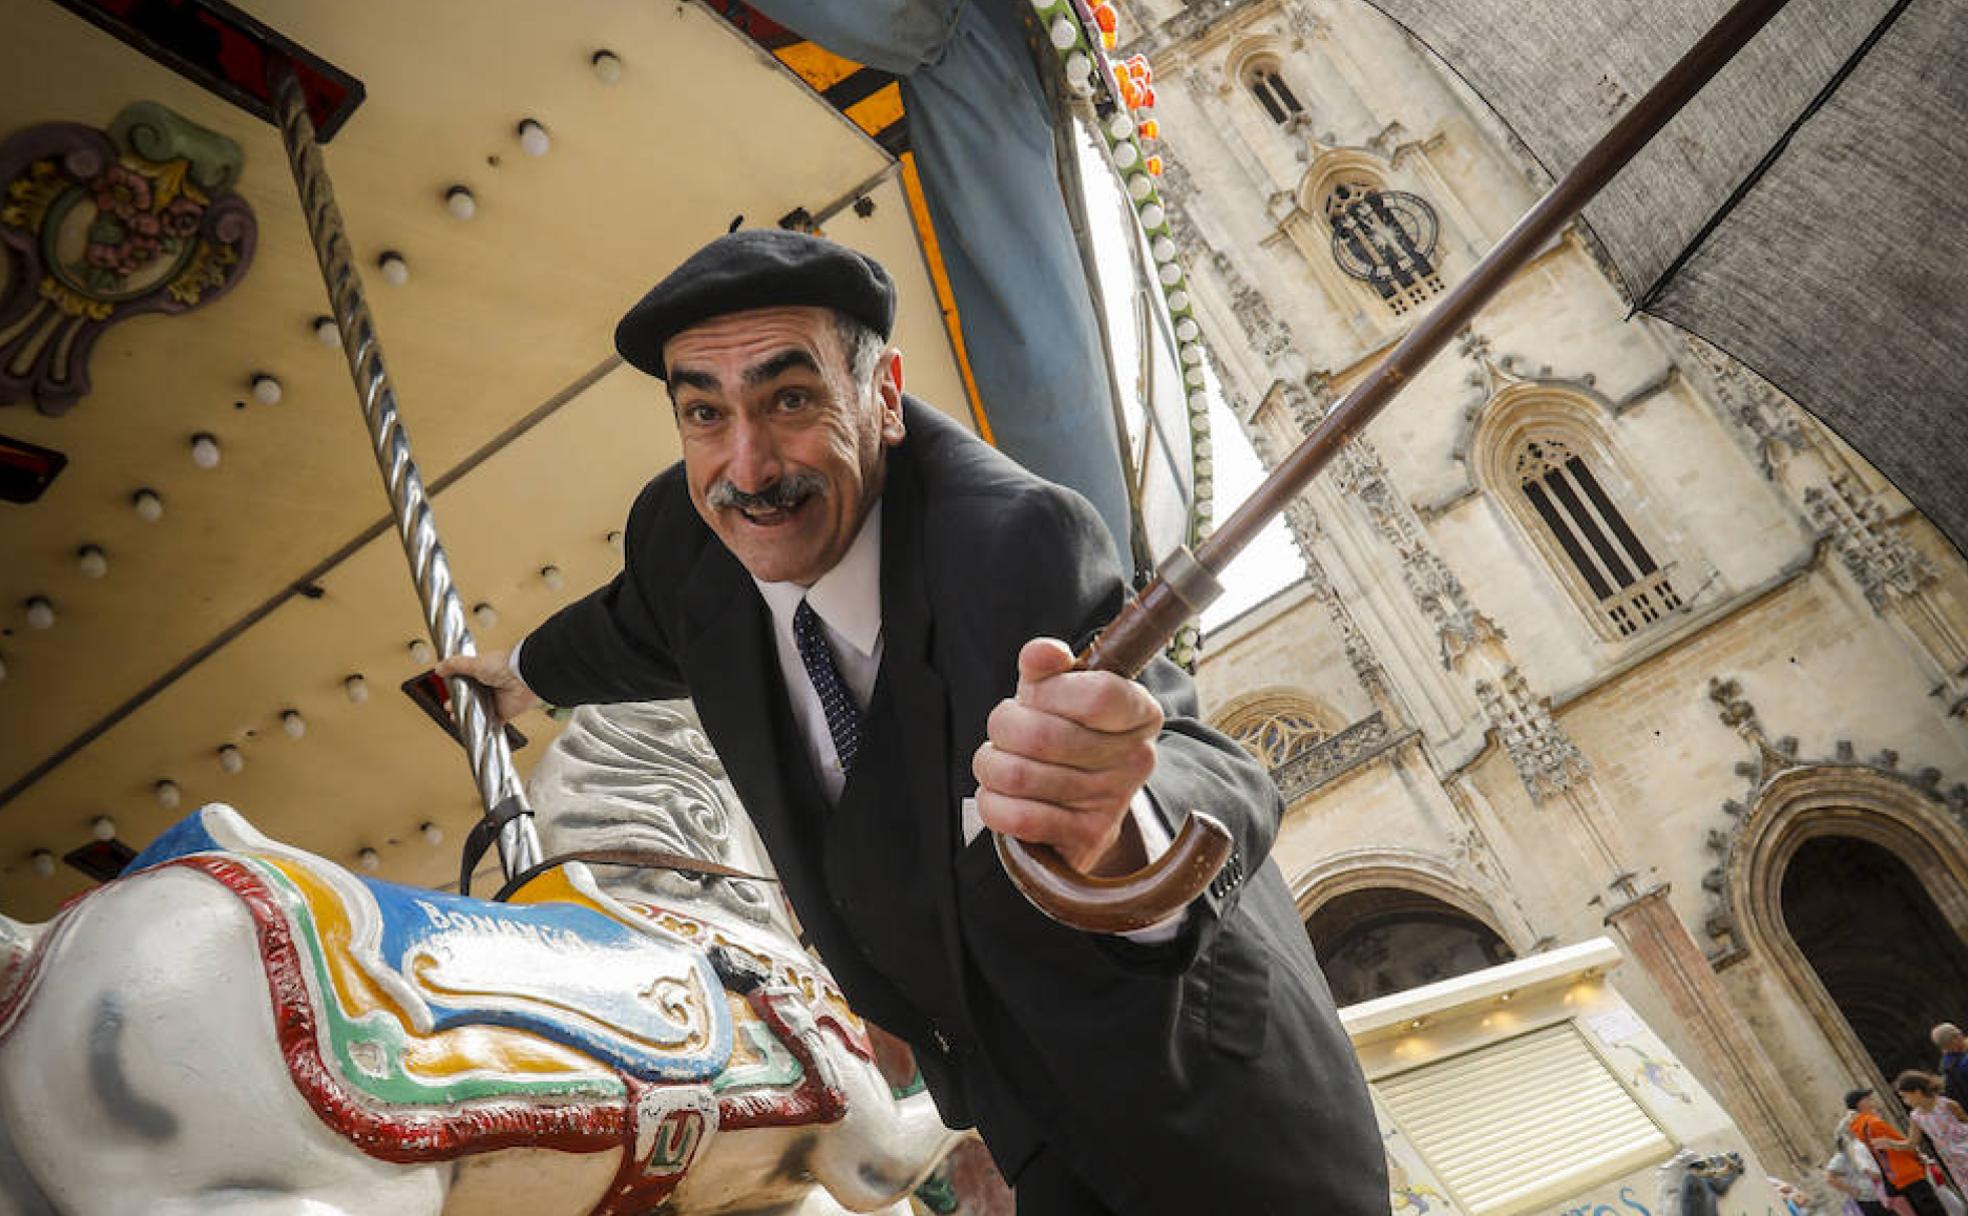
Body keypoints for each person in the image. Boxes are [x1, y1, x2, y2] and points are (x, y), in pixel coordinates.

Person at [438, 229, 1386, 1215]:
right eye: (705, 414)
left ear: (884, 395)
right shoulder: (688, 542)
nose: (749, 466)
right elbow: (625, 627)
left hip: (1227, 1114)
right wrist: (515, 679)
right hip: (1030, 1118)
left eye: (790, 400)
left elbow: (1212, 770)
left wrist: (1121, 831)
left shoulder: (1014, 540)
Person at [1847, 1087, 1951, 1216]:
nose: (1871, 1100)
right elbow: (1900, 1144)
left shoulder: (1860, 1128)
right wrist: (1918, 1157)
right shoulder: (1873, 1122)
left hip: (1895, 1176)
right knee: (1933, 1210)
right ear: (1860, 1104)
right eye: (1867, 1098)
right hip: (1907, 1170)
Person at [1898, 1070, 1968, 1193]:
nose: (1905, 1101)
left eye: (1905, 1096)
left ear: (1917, 1092)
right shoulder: (1916, 1117)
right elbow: (1912, 1142)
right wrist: (1890, 1143)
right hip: (1954, 1163)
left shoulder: (1947, 1104)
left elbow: (1965, 1121)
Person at [1936, 1024, 1968, 1110]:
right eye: (1960, 1034)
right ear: (1954, 1040)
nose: (1963, 1037)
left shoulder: (1944, 1066)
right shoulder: (1964, 1061)